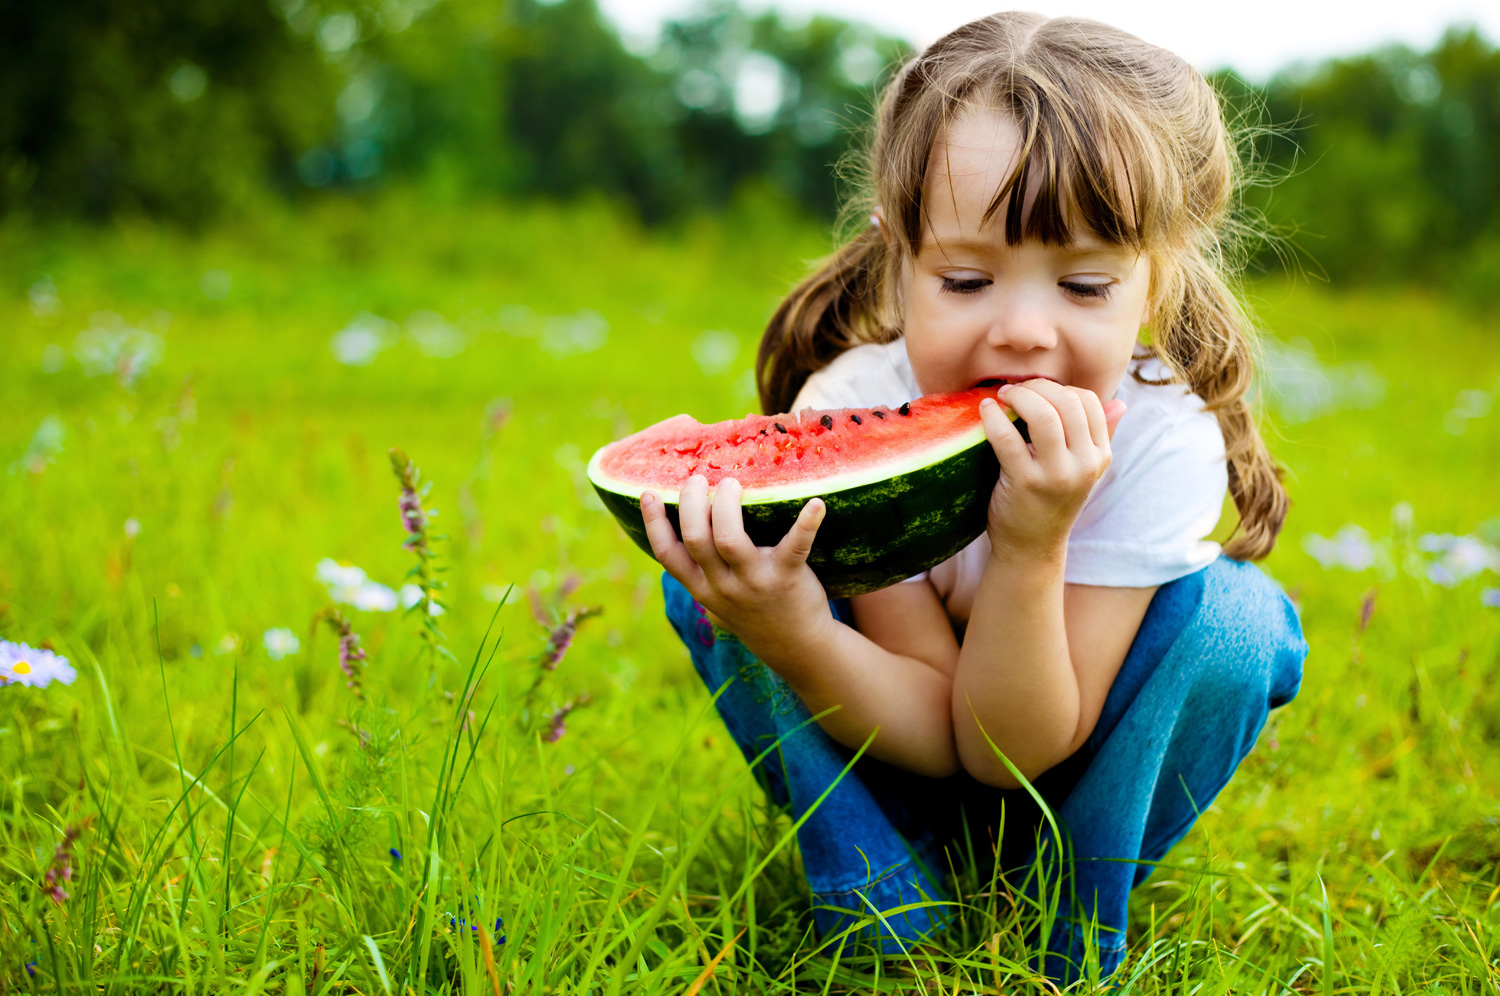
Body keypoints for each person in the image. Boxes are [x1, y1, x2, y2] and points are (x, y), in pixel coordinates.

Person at [640, 12, 1306, 984]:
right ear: (897, 256)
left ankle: (1068, 928)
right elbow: (939, 732)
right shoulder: (854, 404)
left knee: (1241, 621)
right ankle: (882, 908)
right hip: (889, 743)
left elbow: (1006, 755)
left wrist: (1032, 546)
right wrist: (790, 629)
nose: (1025, 331)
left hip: (1070, 772)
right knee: (716, 574)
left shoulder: (1160, 439)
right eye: (964, 279)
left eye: (1083, 286)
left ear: (1156, 282)